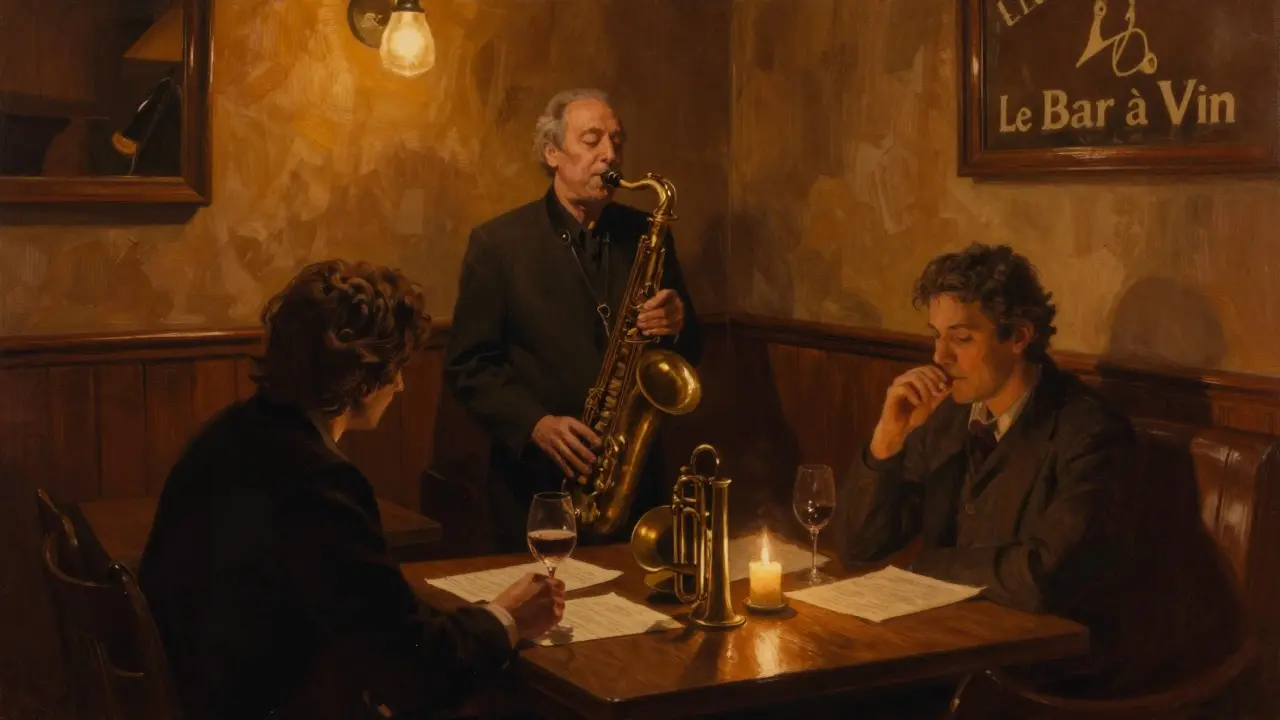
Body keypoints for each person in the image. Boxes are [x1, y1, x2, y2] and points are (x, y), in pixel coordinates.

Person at [137, 260, 565, 720]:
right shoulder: (317, 481)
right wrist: (507, 620)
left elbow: (376, 622)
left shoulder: (226, 434)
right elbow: (410, 670)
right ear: (361, 378)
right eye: (396, 368)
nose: (400, 385)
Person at [444, 88, 703, 552]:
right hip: (537, 484)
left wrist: (677, 323)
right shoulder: (499, 245)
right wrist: (536, 423)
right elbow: (469, 365)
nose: (610, 153)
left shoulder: (647, 233)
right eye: (592, 140)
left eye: (616, 142)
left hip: (634, 481)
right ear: (552, 153)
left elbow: (689, 350)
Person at [833, 242, 1134, 620]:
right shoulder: (946, 418)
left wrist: (930, 566)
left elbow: (1047, 576)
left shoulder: (1089, 431)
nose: (940, 357)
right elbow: (858, 547)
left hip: (1042, 661)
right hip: (951, 640)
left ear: (1019, 337)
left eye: (961, 339)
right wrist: (887, 440)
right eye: (936, 336)